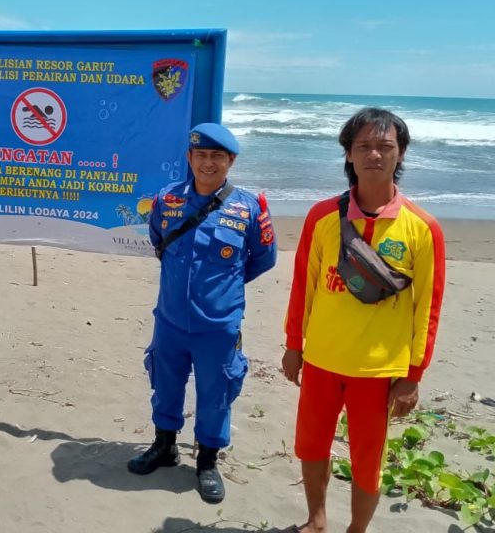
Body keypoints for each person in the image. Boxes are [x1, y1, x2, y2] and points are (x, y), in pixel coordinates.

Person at [282, 108, 445, 533]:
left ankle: (357, 530)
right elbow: (305, 287)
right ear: (349, 155)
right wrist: (294, 346)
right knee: (311, 445)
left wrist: (413, 375)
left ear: (400, 153)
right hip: (321, 359)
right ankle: (316, 521)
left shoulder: (423, 228)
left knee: (367, 458)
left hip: (378, 369)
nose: (375, 154)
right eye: (364, 147)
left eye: (385, 146)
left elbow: (427, 308)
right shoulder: (321, 217)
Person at [128, 122, 277, 503]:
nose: (208, 163)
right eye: (201, 155)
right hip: (172, 320)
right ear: (189, 157)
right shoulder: (167, 200)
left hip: (218, 325)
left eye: (217, 156)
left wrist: (220, 290)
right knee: (165, 383)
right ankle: (164, 446)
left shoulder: (250, 208)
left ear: (230, 161)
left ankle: (207, 461)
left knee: (216, 393)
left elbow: (262, 259)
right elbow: (159, 240)